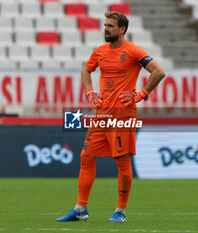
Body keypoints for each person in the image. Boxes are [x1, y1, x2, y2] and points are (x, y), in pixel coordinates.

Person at [56, 11, 166, 222]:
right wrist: (89, 92)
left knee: (122, 162)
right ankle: (80, 209)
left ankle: (120, 212)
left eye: (110, 26)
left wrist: (141, 94)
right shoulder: (100, 52)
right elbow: (86, 71)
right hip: (102, 113)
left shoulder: (133, 51)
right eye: (105, 25)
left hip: (123, 114)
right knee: (86, 157)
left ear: (122, 29)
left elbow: (158, 72)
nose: (105, 29)